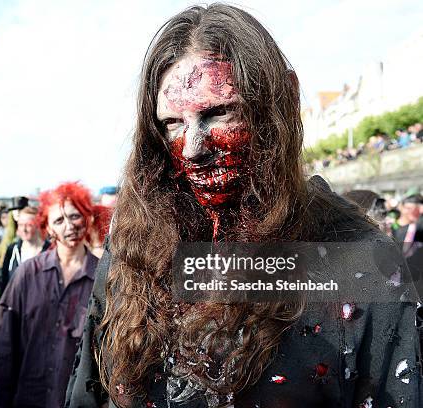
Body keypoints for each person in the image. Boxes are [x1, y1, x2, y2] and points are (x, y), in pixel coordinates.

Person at [65, 4, 421, 408]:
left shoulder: (357, 262)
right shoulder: (136, 242)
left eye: (219, 113)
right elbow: (88, 389)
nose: (194, 149)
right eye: (173, 123)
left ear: (279, 104)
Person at [0, 182, 98, 408]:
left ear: (87, 218)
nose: (69, 226)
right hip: (29, 397)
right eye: (59, 221)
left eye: (74, 216)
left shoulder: (103, 278)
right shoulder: (28, 274)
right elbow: (6, 346)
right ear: (49, 229)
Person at [0, 206, 49, 297]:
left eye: (29, 225)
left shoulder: (50, 251)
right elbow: (5, 283)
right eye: (21, 225)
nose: (24, 229)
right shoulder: (12, 250)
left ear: (38, 225)